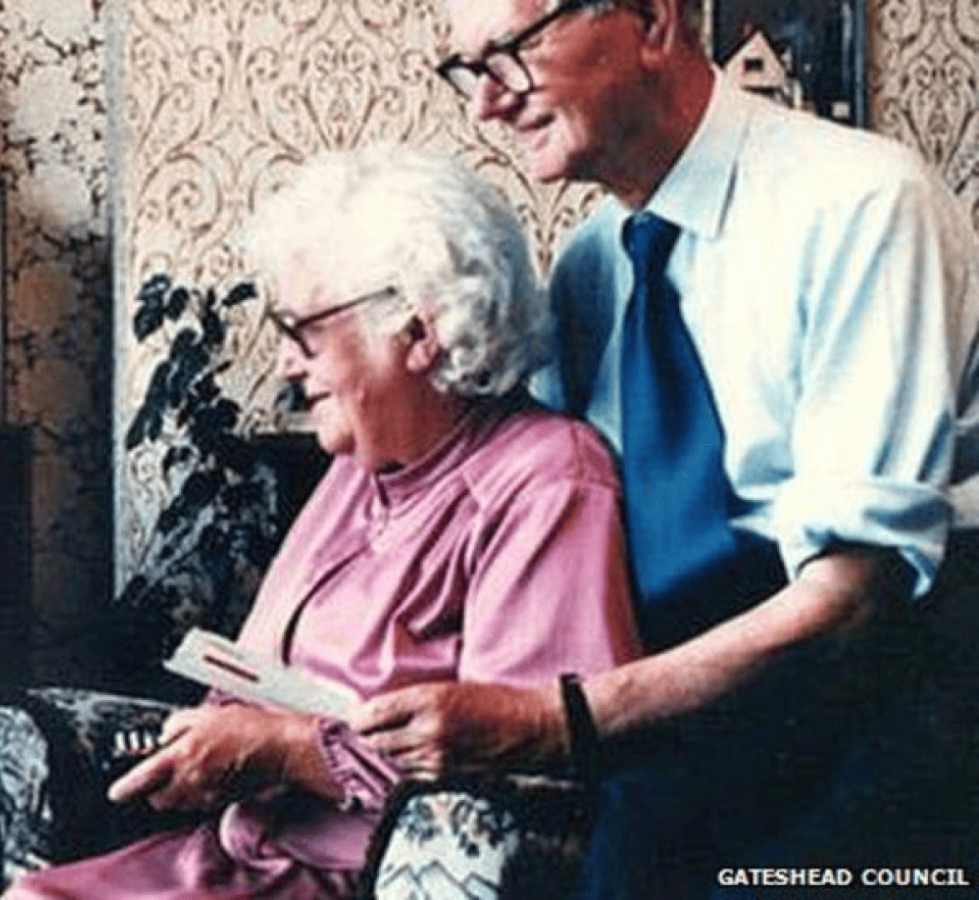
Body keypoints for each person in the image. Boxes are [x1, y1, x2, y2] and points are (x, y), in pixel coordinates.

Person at [354, 0, 979, 895]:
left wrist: (554, 721)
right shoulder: (588, 266)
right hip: (667, 723)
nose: (486, 102)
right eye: (467, 69)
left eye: (511, 52)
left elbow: (853, 599)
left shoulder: (863, 205)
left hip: (880, 700)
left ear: (652, 21)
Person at [1, 146, 642, 898]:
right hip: (243, 853)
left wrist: (283, 749)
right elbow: (253, 674)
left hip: (360, 876)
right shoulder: (360, 466)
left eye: (301, 331)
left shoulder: (545, 480)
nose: (283, 364)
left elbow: (529, 770)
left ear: (418, 328)